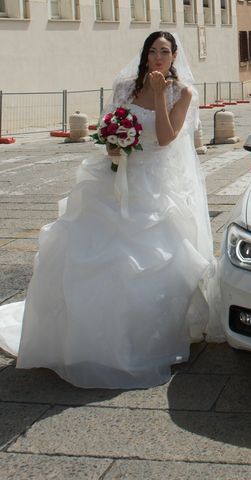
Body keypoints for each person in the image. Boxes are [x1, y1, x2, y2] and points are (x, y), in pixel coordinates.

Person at [0, 31, 222, 388]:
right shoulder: (125, 87)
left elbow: (166, 139)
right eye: (153, 51)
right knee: (89, 246)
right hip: (117, 177)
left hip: (156, 183)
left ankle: (145, 334)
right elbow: (110, 127)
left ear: (175, 55)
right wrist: (114, 146)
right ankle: (86, 334)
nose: (158, 57)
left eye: (165, 51)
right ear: (145, 56)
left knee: (154, 254)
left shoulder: (183, 92)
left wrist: (162, 95)